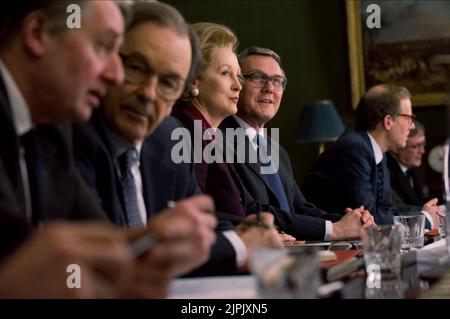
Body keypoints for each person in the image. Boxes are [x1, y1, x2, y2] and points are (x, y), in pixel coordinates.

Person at [0, 1, 216, 297]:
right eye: (103, 47)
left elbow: (107, 247)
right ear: (38, 34)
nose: (114, 75)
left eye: (168, 83)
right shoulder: (74, 130)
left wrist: (146, 249)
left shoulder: (51, 129)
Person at [220, 46, 375, 241]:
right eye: (258, 77)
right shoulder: (218, 141)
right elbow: (249, 211)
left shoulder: (277, 150)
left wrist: (351, 222)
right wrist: (333, 229)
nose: (269, 88)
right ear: (237, 83)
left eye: (277, 81)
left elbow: (300, 208)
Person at [172, 23, 282, 270]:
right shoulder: (186, 131)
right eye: (225, 73)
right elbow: (191, 229)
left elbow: (220, 218)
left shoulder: (207, 134)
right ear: (194, 79)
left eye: (238, 76)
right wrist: (243, 241)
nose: (238, 86)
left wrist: (251, 234)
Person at [302, 84, 443, 227]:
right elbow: (369, 218)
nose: (412, 126)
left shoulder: (377, 151)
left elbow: (386, 210)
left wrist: (424, 214)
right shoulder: (353, 149)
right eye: (409, 118)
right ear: (388, 122)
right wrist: (424, 219)